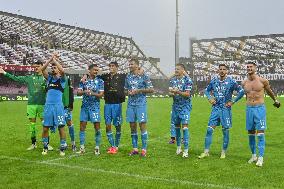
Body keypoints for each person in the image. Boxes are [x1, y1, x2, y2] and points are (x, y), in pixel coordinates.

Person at [0, 60, 53, 151]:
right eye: (35, 66)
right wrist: (4, 73)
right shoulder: (29, 77)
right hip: (31, 105)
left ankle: (46, 143)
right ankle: (33, 143)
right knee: (32, 125)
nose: (36, 68)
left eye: (38, 66)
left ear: (42, 67)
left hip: (43, 105)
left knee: (45, 125)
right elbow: (16, 78)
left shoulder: (46, 78)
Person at [198, 64, 244, 159]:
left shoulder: (231, 81)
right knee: (209, 130)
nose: (222, 71)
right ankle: (206, 151)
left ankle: (223, 152)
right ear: (218, 71)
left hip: (225, 109)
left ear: (227, 71)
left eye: (224, 69)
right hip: (215, 109)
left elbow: (241, 91)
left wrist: (233, 101)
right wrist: (210, 98)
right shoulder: (214, 81)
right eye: (220, 69)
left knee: (225, 131)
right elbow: (206, 91)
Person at [242, 62, 280, 167]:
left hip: (260, 109)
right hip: (249, 109)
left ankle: (261, 157)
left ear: (255, 68)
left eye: (251, 67)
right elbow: (247, 95)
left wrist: (275, 100)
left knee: (260, 133)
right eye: (248, 67)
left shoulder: (263, 80)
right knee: (250, 132)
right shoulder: (244, 82)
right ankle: (253, 155)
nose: (249, 68)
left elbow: (269, 91)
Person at [125, 58, 154, 157]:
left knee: (142, 126)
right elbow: (125, 89)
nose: (130, 66)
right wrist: (127, 92)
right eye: (129, 64)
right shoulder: (128, 76)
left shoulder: (144, 76)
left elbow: (151, 89)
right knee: (132, 126)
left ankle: (144, 149)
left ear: (137, 66)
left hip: (141, 104)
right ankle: (135, 149)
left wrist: (139, 90)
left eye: (132, 64)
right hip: (130, 104)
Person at [41, 53, 67, 156]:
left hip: (58, 107)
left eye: (55, 68)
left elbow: (63, 71)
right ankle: (45, 147)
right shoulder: (49, 79)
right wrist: (50, 60)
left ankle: (62, 148)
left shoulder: (62, 80)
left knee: (61, 127)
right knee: (45, 127)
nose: (53, 69)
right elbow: (42, 70)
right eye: (52, 68)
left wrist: (55, 61)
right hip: (48, 106)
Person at [99, 61, 126, 154]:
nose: (111, 67)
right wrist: (85, 76)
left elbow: (132, 74)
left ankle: (116, 145)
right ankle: (113, 146)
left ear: (117, 67)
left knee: (118, 126)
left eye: (113, 66)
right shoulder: (105, 76)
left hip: (117, 104)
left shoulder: (122, 77)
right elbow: (93, 75)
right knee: (107, 125)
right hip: (107, 104)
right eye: (110, 66)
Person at [77, 64, 104, 155]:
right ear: (89, 70)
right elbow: (78, 93)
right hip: (84, 107)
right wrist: (85, 91)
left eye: (97, 70)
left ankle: (97, 147)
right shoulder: (83, 81)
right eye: (94, 70)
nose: (96, 71)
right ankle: (82, 147)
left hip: (95, 107)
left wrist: (92, 93)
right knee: (82, 127)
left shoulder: (100, 81)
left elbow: (100, 95)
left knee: (97, 127)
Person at [169, 63, 193, 158]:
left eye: (178, 69)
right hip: (175, 106)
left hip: (185, 106)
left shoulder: (188, 80)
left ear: (183, 70)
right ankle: (178, 147)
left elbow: (187, 94)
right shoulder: (173, 80)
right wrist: (172, 93)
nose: (176, 71)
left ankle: (186, 150)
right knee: (177, 127)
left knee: (185, 127)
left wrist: (177, 92)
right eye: (175, 69)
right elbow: (170, 93)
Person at [62, 76, 76, 152]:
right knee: (61, 125)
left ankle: (73, 144)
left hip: (66, 108)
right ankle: (63, 143)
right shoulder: (58, 86)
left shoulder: (69, 88)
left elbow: (72, 97)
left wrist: (70, 106)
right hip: (59, 107)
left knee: (69, 124)